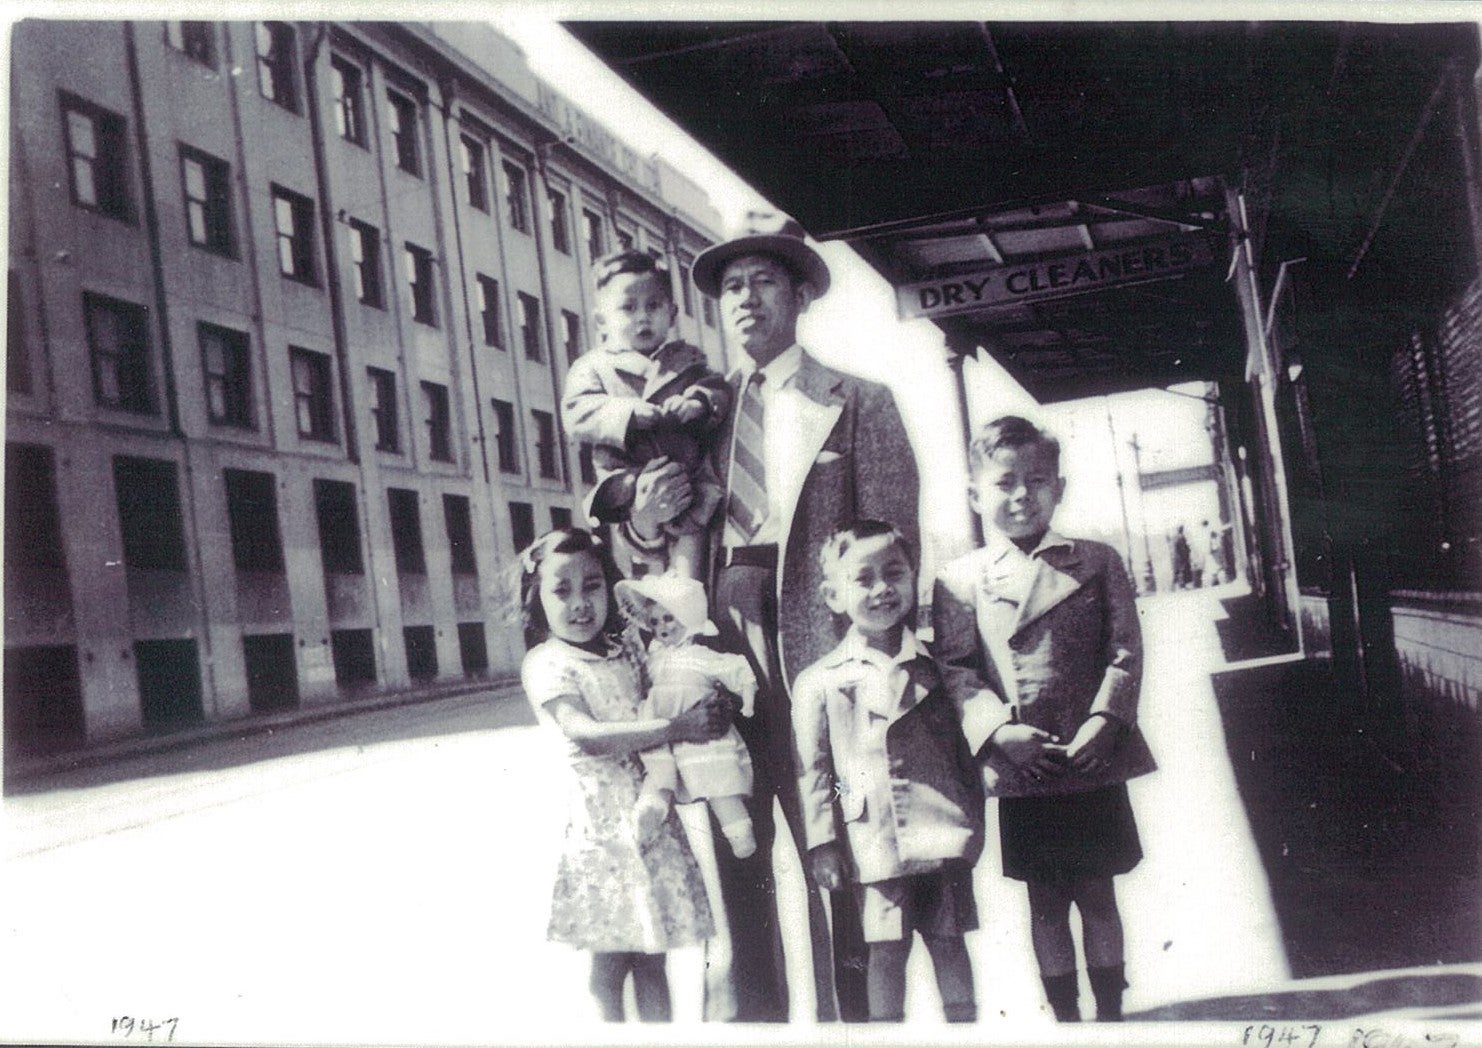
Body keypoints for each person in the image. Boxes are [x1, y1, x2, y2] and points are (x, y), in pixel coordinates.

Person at [617, 212, 921, 1022]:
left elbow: (898, 555)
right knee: (739, 870)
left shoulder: (859, 403)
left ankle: (858, 1026)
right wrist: (645, 517)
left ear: (799, 294)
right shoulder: (701, 415)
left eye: (763, 282)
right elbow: (651, 536)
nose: (745, 300)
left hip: (824, 665)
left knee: (845, 861)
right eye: (730, 288)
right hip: (724, 667)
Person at [933, 416, 1158, 1023]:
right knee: (1046, 902)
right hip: (1025, 767)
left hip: (1091, 756)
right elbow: (956, 669)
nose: (1020, 496)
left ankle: (1110, 1014)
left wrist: (1106, 720)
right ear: (977, 496)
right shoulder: (959, 581)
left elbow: (1125, 649)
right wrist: (996, 731)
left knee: (1099, 893)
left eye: (1036, 481)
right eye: (1004, 483)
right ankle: (1066, 1020)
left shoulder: (1096, 560)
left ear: (1059, 488)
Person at [517, 528, 732, 1022]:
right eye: (561, 590)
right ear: (537, 599)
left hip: (649, 821)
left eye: (591, 585)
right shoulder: (547, 662)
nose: (579, 603)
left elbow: (666, 682)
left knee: (652, 953)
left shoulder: (625, 650)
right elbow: (586, 734)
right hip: (603, 830)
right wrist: (677, 726)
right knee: (611, 961)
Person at [792, 520, 983, 1023]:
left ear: (914, 577)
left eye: (893, 573)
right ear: (834, 596)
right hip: (872, 840)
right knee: (885, 951)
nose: (881, 589)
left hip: (939, 832)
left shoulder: (937, 669)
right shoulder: (820, 682)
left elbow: (963, 757)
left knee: (949, 943)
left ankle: (965, 1030)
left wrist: (972, 823)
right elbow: (816, 772)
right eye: (863, 578)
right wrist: (824, 840)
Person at [562, 250, 731, 579]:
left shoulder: (688, 360)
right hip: (627, 476)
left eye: (653, 306)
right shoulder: (593, 367)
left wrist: (697, 402)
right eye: (628, 307)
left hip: (687, 475)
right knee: (638, 550)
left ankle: (686, 592)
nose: (642, 317)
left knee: (692, 533)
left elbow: (719, 389)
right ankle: (648, 595)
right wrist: (624, 413)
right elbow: (576, 411)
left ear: (672, 313)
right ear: (602, 321)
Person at [614, 574, 760, 858]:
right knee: (659, 771)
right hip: (663, 729)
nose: (661, 628)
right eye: (654, 622)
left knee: (718, 778)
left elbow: (738, 671)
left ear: (688, 617)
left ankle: (739, 832)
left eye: (669, 618)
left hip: (701, 728)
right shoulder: (654, 658)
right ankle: (651, 810)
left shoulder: (700, 654)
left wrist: (748, 700)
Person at [1171, 525, 1193, 590]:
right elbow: (1183, 549)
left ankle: (1175, 587)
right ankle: (1182, 586)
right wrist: (1187, 553)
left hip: (1176, 557)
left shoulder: (1174, 537)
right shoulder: (1181, 537)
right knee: (1182, 571)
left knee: (1177, 571)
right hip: (1181, 557)